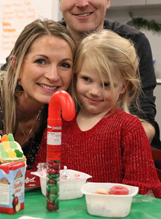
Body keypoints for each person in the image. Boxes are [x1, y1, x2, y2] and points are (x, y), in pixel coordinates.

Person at [1, 0, 160, 148]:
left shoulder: (131, 43)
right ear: (60, 1)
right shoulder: (45, 39)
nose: (82, 2)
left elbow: (145, 117)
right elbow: (7, 84)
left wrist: (98, 145)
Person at [33, 30, 161, 198]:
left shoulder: (129, 128)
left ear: (123, 87)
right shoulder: (58, 126)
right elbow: (39, 176)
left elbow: (145, 191)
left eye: (106, 84)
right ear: (75, 76)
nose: (94, 91)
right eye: (86, 79)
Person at [0, 18, 76, 172]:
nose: (53, 76)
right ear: (16, 65)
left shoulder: (66, 112)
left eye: (64, 65)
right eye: (41, 61)